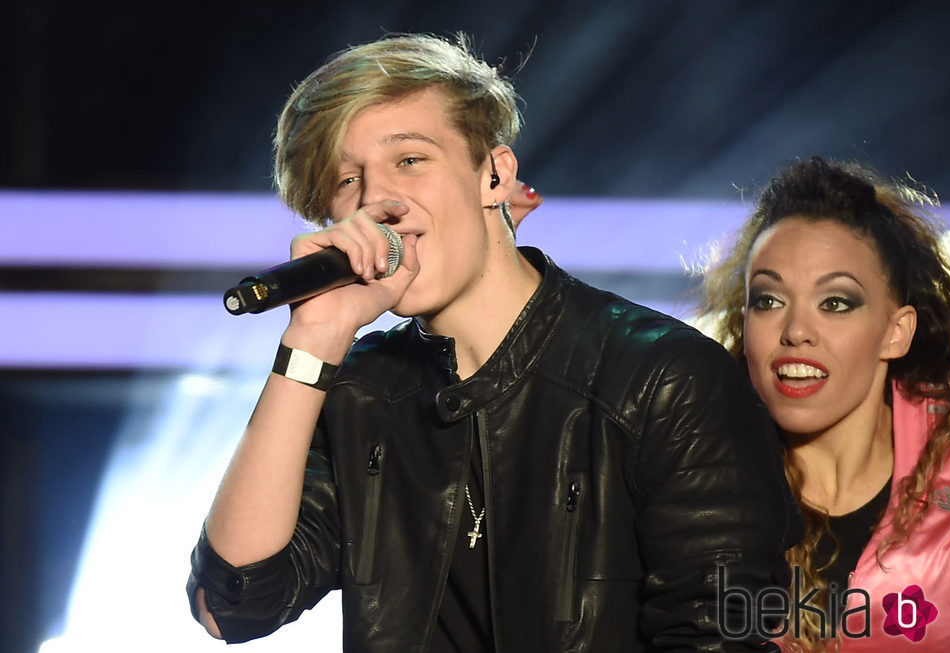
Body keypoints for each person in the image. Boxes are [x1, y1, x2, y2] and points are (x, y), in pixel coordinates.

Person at [186, 33, 800, 651]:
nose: (377, 200)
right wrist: (312, 341)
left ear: (495, 175)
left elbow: (719, 637)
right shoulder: (355, 392)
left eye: (409, 160)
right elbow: (232, 607)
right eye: (349, 181)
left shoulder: (662, 376)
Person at [698, 156, 950, 651]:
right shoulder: (690, 472)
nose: (796, 332)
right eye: (768, 300)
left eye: (835, 303)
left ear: (896, 332)